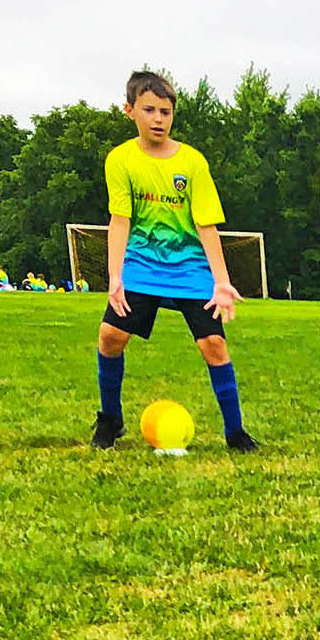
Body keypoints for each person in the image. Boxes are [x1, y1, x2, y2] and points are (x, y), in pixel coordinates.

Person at [92, 71, 257, 453]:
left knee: (213, 344)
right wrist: (116, 276)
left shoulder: (193, 162)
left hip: (191, 269)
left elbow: (206, 224)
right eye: (149, 110)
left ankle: (235, 433)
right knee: (110, 336)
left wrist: (220, 280)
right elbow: (120, 220)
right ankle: (110, 419)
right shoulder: (120, 160)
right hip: (141, 265)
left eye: (165, 111)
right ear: (129, 110)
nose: (158, 119)